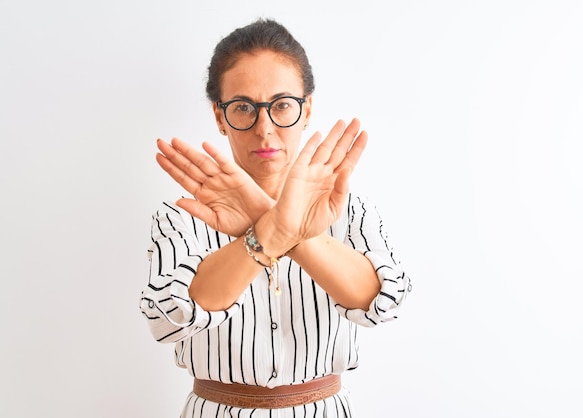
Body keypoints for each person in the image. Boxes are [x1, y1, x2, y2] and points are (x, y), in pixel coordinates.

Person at [139, 18, 412, 417]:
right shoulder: (179, 217)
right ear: (219, 116)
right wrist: (271, 232)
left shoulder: (349, 209)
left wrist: (285, 228)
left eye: (282, 105)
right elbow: (169, 318)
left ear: (306, 110)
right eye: (243, 108)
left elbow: (383, 302)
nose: (264, 129)